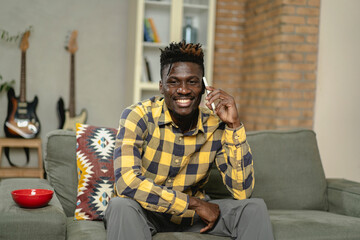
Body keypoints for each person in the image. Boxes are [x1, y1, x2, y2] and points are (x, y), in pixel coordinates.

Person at [105, 41, 274, 240]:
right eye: (174, 82)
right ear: (161, 87)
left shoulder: (216, 125)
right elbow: (127, 183)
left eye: (192, 82)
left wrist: (233, 126)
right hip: (145, 212)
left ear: (203, 88)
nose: (183, 90)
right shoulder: (137, 116)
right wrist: (194, 204)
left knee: (253, 208)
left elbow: (243, 192)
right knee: (120, 205)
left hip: (192, 219)